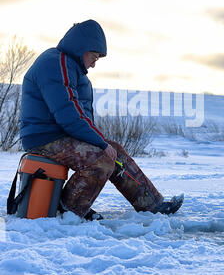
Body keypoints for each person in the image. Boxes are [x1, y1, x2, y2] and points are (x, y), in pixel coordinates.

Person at [20, 20, 184, 220]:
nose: (94, 63)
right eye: (94, 56)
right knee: (101, 159)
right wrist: (99, 142)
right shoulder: (57, 63)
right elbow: (68, 114)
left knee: (116, 152)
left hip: (60, 135)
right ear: (82, 49)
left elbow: (77, 115)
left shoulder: (69, 66)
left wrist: (102, 143)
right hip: (45, 139)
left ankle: (152, 205)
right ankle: (68, 209)